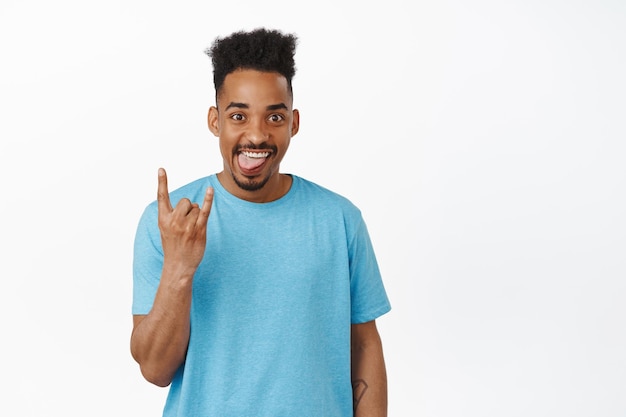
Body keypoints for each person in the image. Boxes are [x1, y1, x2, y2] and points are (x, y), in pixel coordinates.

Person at [130, 27, 391, 417]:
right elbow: (154, 370)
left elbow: (365, 346)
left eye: (274, 117)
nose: (257, 134)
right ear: (215, 121)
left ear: (294, 123)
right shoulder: (168, 222)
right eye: (239, 115)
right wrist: (179, 270)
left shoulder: (340, 220)